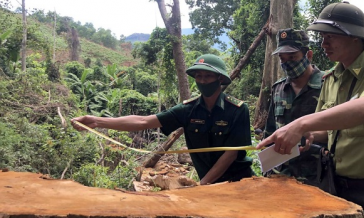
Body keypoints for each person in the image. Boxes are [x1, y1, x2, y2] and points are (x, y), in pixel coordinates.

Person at [257, 2, 364, 218]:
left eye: (330, 36)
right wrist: (309, 134)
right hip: (334, 188)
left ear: (354, 36)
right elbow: (331, 132)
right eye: (322, 37)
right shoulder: (331, 79)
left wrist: (300, 124)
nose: (324, 43)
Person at [72, 54, 253, 185]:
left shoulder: (237, 110)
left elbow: (231, 154)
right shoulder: (187, 110)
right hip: (208, 185)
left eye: (208, 76)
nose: (203, 81)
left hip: (240, 182)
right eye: (199, 76)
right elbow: (143, 122)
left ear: (220, 78)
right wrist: (96, 121)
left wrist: (203, 184)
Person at [262, 28, 324, 186]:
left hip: (316, 177)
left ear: (308, 55)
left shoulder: (328, 85)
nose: (286, 63)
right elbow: (270, 131)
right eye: (282, 59)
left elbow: (340, 130)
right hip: (280, 176)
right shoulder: (278, 89)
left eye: (292, 57)